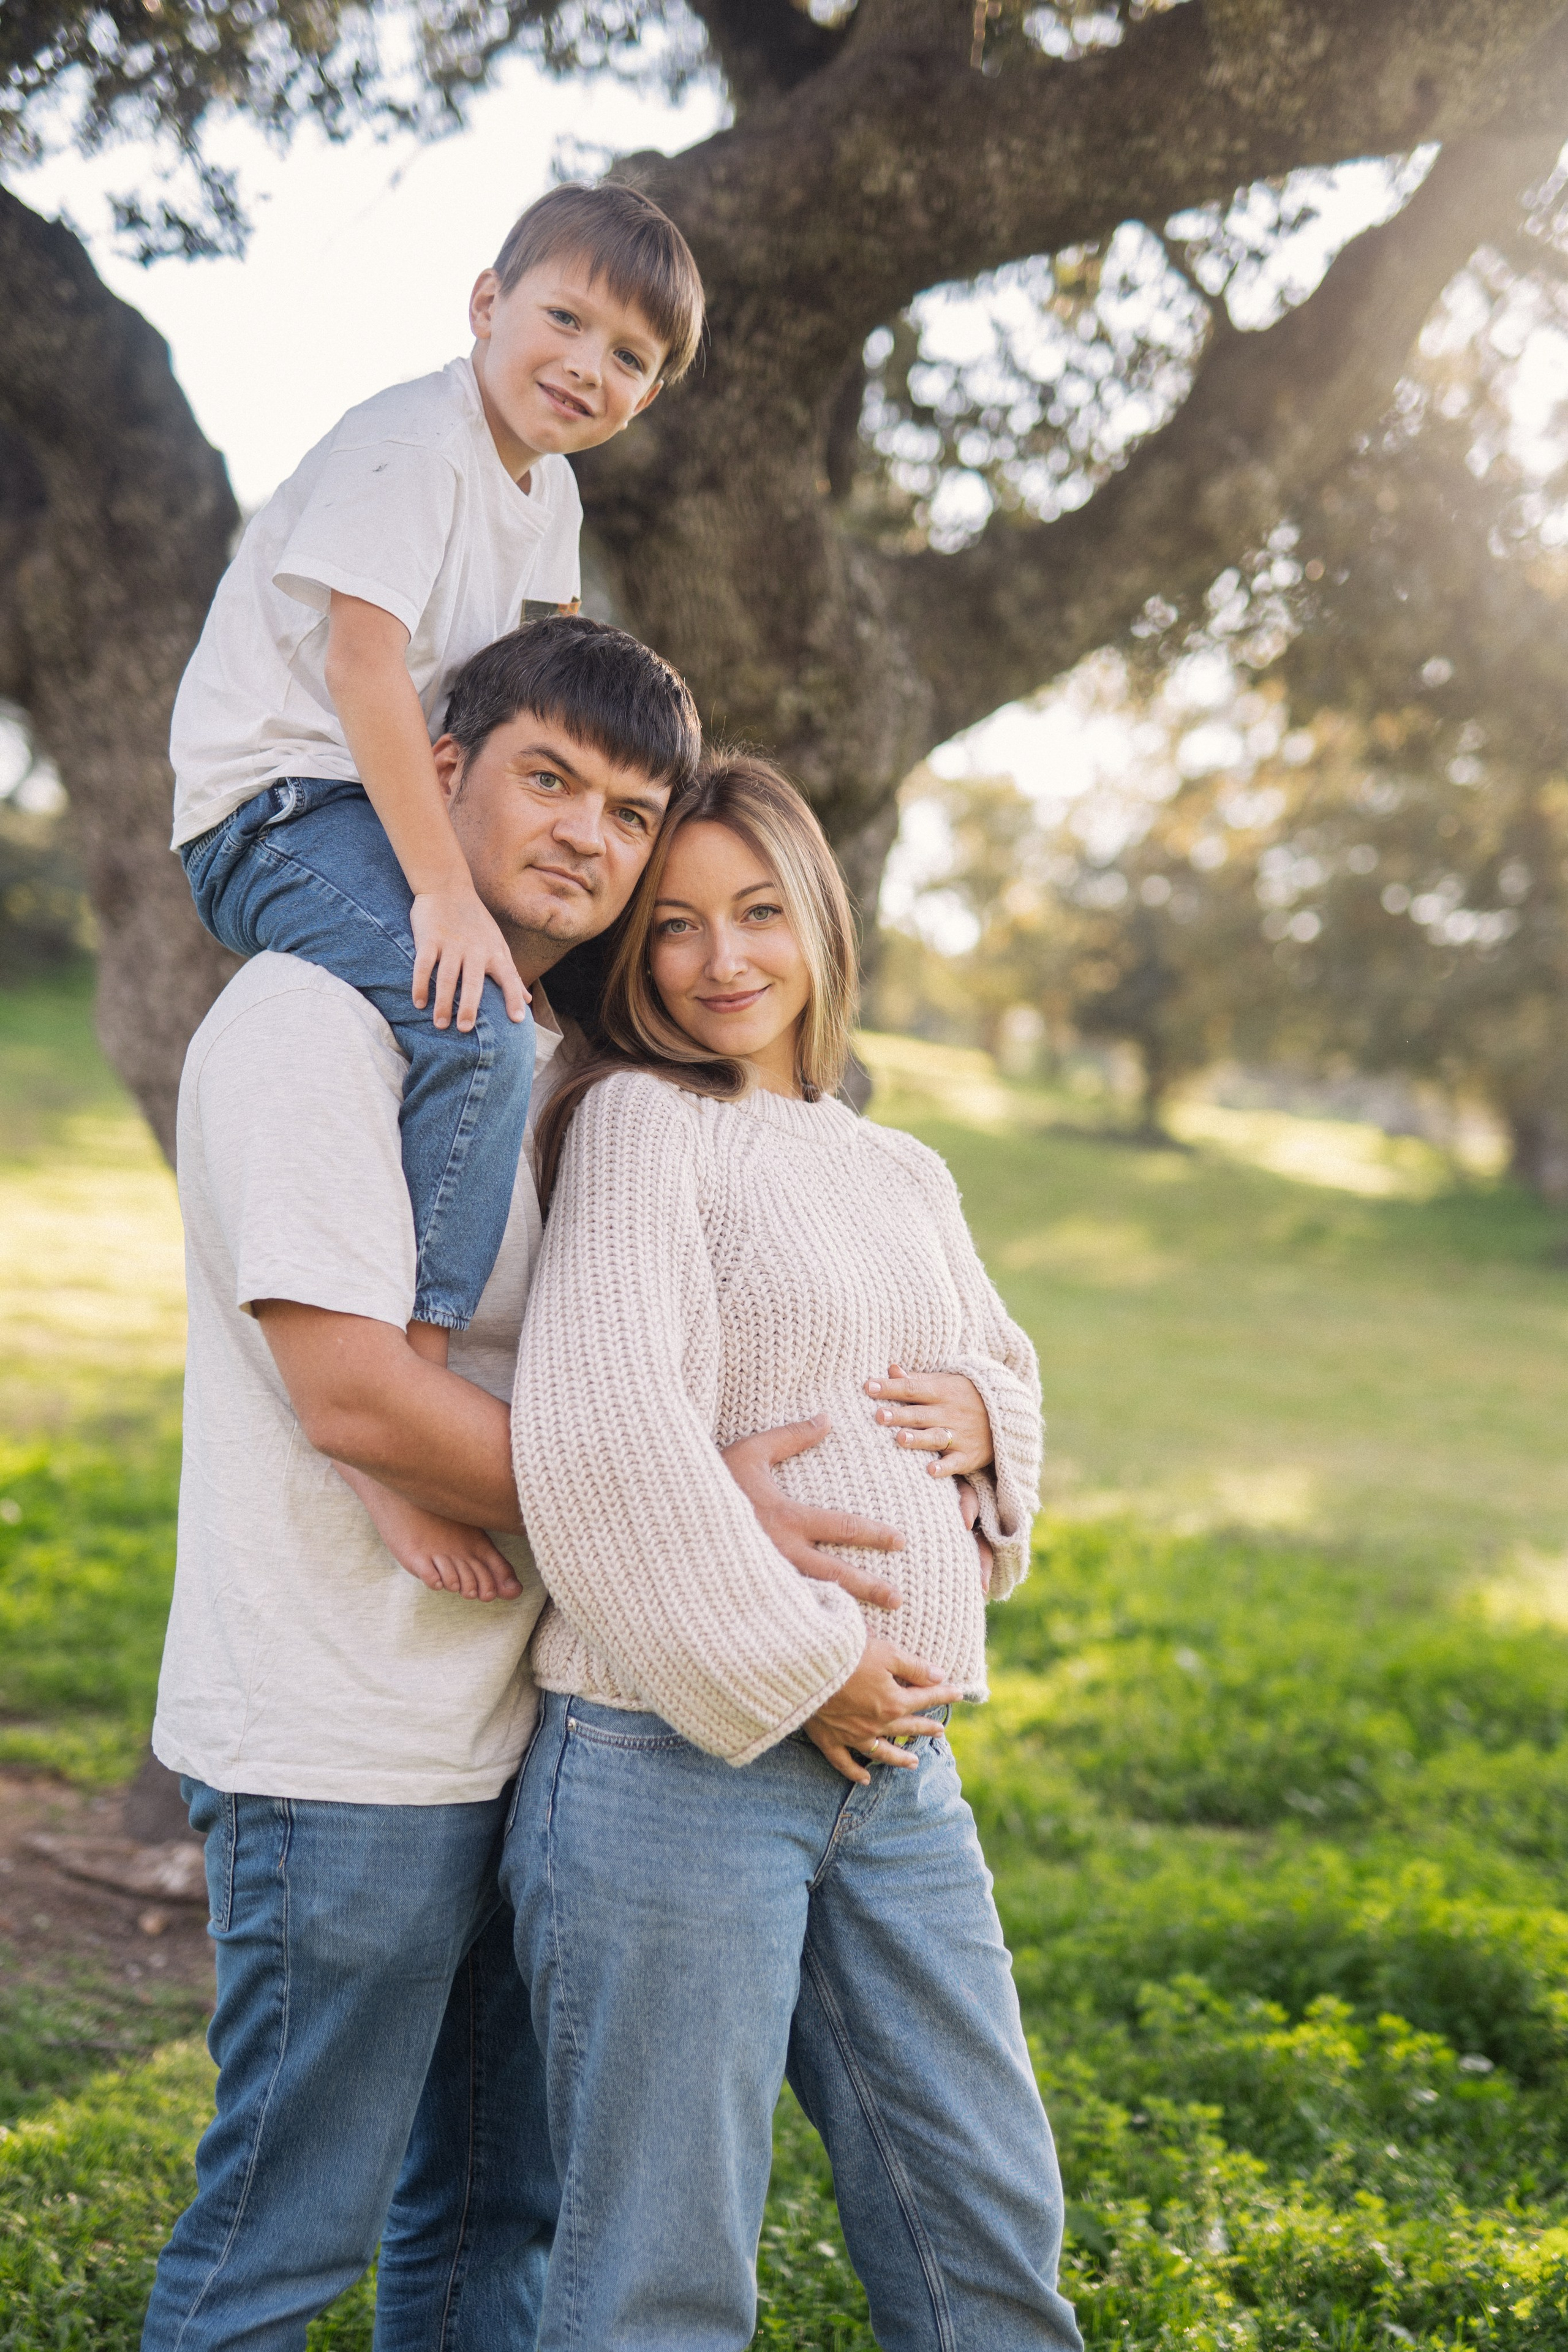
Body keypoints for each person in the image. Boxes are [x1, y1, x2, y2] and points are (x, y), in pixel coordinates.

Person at [141, 624, 905, 2352]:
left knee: (497, 2226)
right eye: (548, 777)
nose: (588, 836)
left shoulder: (557, 1063)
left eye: (632, 812)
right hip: (345, 1746)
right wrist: (698, 1515)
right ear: (439, 764)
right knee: (282, 2244)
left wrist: (965, 1397)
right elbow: (358, 1395)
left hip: (542, 1738)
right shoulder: (313, 1020)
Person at [508, 753, 1083, 2352]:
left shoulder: (898, 1166)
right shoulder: (636, 1126)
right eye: (676, 925)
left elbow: (1004, 1370)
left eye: (758, 912)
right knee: (666, 2275)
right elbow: (605, 1435)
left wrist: (987, 1411)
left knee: (984, 2209)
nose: (721, 961)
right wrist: (807, 1660)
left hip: (898, 1766)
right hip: (669, 1758)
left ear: (820, 918)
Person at [168, 180, 704, 1373]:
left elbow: (546, 673)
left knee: (593, 981)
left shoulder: (547, 490)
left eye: (625, 354)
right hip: (273, 807)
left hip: (360, 799)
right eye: (564, 320)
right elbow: (364, 670)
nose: (583, 365)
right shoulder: (415, 447)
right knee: (477, 1029)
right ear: (485, 304)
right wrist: (447, 897)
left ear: (648, 393)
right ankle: (416, 1359)